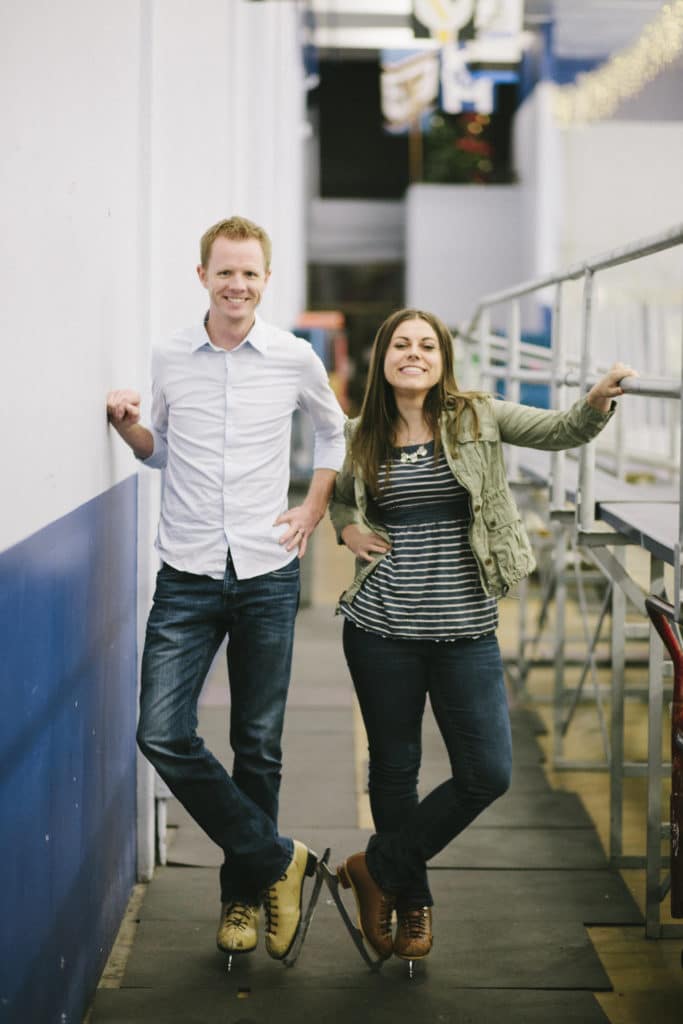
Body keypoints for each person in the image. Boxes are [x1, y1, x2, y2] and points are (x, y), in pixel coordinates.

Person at [328, 307, 635, 964]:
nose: (413, 353)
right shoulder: (358, 434)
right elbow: (338, 498)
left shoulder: (476, 417)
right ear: (383, 358)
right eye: (401, 344)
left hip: (466, 628)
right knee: (394, 769)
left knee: (487, 773)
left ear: (443, 359)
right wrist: (346, 526)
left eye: (426, 345)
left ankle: (375, 867)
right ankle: (412, 901)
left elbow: (560, 431)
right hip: (382, 626)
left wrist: (595, 401)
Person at [106, 216, 346, 961]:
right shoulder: (171, 354)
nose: (236, 284)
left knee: (257, 746)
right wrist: (129, 429)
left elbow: (333, 431)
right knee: (160, 731)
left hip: (268, 574)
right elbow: (161, 453)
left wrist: (313, 506)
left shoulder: (292, 358)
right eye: (224, 272)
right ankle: (279, 858)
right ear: (202, 275)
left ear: (265, 280)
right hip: (186, 572)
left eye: (249, 273)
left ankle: (243, 897)